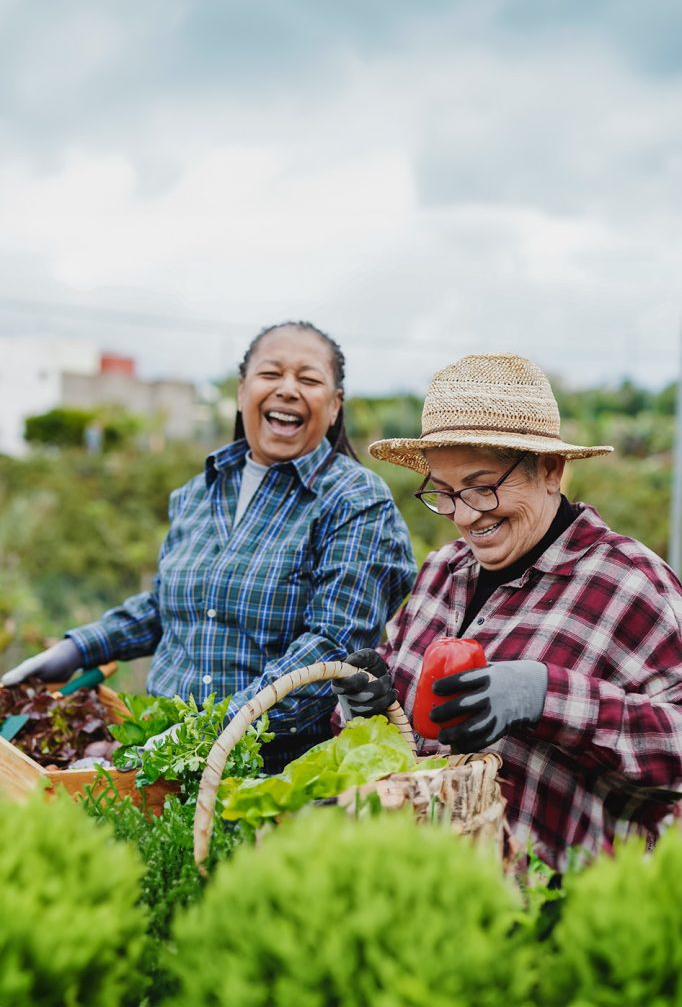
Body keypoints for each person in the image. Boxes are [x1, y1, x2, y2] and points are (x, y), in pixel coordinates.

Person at [2, 321, 416, 771]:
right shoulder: (199, 492)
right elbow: (167, 606)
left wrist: (204, 735)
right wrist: (77, 650)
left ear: (334, 406)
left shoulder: (355, 501)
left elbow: (331, 648)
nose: (288, 389)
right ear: (242, 392)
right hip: (156, 755)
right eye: (271, 373)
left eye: (310, 379)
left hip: (267, 769)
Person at [332, 352, 682, 870]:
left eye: (482, 487)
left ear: (550, 469)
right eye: (445, 492)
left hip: (550, 913)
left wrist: (545, 695)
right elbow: (404, 730)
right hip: (415, 887)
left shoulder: (629, 584)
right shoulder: (441, 572)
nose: (465, 516)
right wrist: (365, 713)